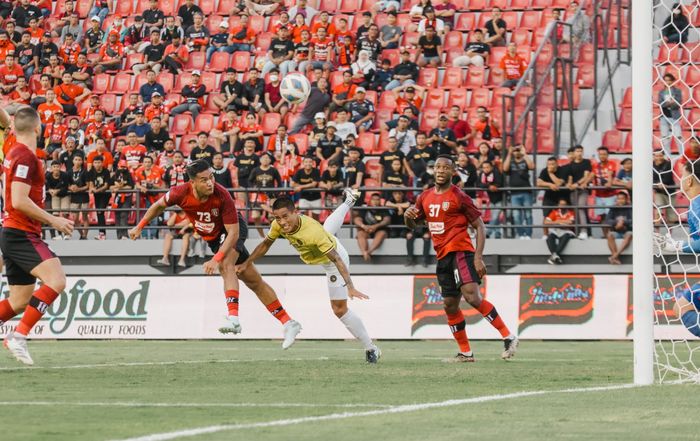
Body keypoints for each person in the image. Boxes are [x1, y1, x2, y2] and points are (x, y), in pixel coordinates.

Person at [130, 159, 302, 347]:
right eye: (204, 180)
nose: (210, 182)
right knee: (252, 279)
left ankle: (233, 319)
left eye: (211, 177)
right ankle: (289, 322)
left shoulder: (222, 195)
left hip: (232, 230)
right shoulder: (180, 192)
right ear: (193, 182)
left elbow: (234, 233)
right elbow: (158, 206)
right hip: (213, 238)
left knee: (225, 265)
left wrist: (216, 259)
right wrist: (140, 226)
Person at [237, 191, 382, 363]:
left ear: (295, 212)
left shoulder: (313, 232)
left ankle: (371, 348)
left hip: (335, 262)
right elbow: (265, 244)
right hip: (323, 247)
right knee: (327, 229)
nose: (282, 222)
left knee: (339, 310)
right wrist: (247, 263)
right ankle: (349, 200)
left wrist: (350, 286)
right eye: (277, 218)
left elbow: (336, 259)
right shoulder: (279, 225)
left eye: (285, 217)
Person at [405, 155, 518, 362]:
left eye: (445, 168)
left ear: (452, 171)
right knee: (449, 305)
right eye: (437, 167)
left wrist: (478, 257)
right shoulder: (424, 197)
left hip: (461, 251)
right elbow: (416, 224)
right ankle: (466, 353)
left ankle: (508, 336)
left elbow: (479, 226)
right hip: (442, 257)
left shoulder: (460, 196)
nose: (440, 171)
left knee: (472, 297)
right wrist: (407, 217)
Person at [0, 106, 74, 365]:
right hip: (22, 232)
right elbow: (19, 200)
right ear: (38, 127)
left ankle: (17, 334)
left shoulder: (12, 149)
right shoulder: (25, 157)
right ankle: (18, 336)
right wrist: (54, 219)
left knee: (19, 300)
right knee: (57, 281)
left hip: (12, 230)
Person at [504, 144, 534, 239]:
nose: (517, 152)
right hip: (514, 193)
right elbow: (505, 169)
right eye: (515, 150)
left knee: (528, 214)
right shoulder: (511, 161)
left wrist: (524, 153)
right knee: (516, 215)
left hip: (526, 192)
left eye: (518, 150)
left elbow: (532, 166)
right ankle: (521, 234)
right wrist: (509, 154)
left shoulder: (525, 159)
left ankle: (528, 234)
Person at [543, 199, 575, 265]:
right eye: (560, 204)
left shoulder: (571, 212)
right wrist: (559, 222)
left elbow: (570, 222)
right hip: (556, 230)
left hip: (567, 231)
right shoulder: (555, 212)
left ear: (567, 206)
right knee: (550, 237)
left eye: (564, 205)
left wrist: (555, 222)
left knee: (566, 236)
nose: (562, 206)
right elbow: (546, 222)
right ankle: (555, 256)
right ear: (558, 205)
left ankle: (554, 255)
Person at [86, 155, 111, 240]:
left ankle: (102, 233)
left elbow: (106, 185)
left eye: (99, 162)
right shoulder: (90, 171)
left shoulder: (106, 171)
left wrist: (98, 190)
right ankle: (101, 233)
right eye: (95, 162)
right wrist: (92, 189)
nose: (97, 164)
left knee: (100, 211)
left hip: (105, 194)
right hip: (97, 195)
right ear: (93, 163)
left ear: (102, 163)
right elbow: (90, 183)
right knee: (99, 212)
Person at [658, 73, 684, 155]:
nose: (667, 82)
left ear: (673, 81)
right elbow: (660, 103)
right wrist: (668, 103)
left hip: (674, 115)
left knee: (678, 136)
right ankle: (667, 155)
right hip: (664, 116)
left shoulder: (677, 91)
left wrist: (673, 103)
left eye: (669, 80)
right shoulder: (661, 92)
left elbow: (679, 102)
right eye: (665, 80)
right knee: (665, 137)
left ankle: (681, 154)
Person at [605, 191, 632, 265]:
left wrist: (623, 222)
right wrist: (617, 223)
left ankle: (614, 256)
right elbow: (607, 220)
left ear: (626, 200)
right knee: (610, 235)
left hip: (627, 231)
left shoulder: (630, 207)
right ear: (616, 200)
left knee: (629, 234)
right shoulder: (613, 208)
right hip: (616, 231)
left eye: (622, 199)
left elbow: (633, 220)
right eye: (618, 199)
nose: (620, 200)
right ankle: (615, 257)